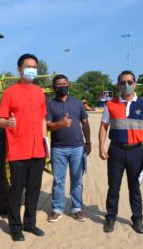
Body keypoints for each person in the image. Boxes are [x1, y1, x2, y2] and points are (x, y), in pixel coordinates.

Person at [0, 53, 47, 241]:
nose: (32, 70)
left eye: (35, 66)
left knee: (34, 190)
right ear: (19, 69)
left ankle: (30, 223)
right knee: (17, 191)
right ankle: (15, 227)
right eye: (28, 66)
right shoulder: (10, 92)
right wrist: (7, 123)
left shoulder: (39, 92)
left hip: (38, 150)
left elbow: (43, 118)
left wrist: (44, 142)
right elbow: (0, 120)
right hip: (18, 149)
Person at [98, 70, 143, 234]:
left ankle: (137, 219)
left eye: (130, 82)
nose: (126, 85)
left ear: (135, 83)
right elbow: (103, 126)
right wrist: (101, 146)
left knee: (135, 187)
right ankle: (110, 218)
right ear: (118, 85)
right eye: (123, 82)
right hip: (115, 150)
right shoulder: (110, 105)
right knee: (113, 187)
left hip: (136, 151)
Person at [46, 74, 91, 223]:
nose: (62, 86)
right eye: (58, 84)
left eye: (64, 83)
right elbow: (47, 125)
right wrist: (60, 124)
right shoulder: (50, 104)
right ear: (54, 87)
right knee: (58, 180)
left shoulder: (77, 103)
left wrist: (88, 143)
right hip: (58, 148)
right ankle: (57, 208)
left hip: (77, 147)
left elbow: (85, 123)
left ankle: (76, 208)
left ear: (68, 84)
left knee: (77, 179)